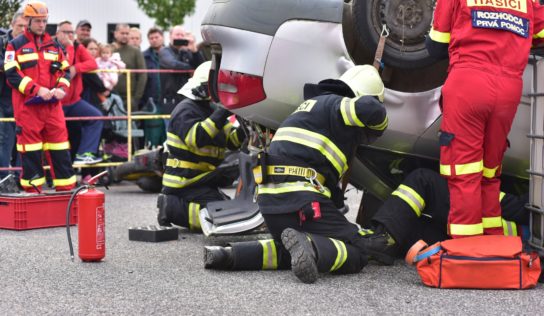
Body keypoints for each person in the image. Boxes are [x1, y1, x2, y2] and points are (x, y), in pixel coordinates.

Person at [204, 65, 389, 284]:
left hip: (270, 204)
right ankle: (310, 246)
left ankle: (231, 255)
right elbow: (372, 110)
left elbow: (330, 191)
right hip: (301, 199)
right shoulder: (336, 103)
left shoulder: (308, 110)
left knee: (288, 249)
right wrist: (381, 124)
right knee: (357, 251)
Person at [426, 0, 544, 238]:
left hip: (469, 82)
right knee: (490, 172)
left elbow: (436, 46)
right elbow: (539, 35)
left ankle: (467, 252)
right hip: (509, 89)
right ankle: (492, 241)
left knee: (464, 171)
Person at [157, 61, 245, 232]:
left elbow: (232, 141)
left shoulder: (210, 111)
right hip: (184, 182)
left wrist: (245, 123)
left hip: (201, 180)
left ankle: (177, 207)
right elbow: (196, 138)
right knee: (223, 219)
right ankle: (172, 208)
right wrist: (223, 111)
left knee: (231, 211)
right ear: (205, 87)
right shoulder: (185, 109)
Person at [364, 168, 529, 258]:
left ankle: (382, 241)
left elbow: (523, 208)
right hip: (484, 245)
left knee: (423, 179)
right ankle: (378, 243)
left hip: (490, 230)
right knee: (406, 225)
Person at [3, 1, 76, 192]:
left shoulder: (54, 45)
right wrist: (37, 90)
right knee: (31, 152)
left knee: (60, 149)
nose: (42, 25)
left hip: (52, 108)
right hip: (28, 108)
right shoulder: (14, 45)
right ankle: (33, 195)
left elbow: (65, 71)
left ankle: (67, 192)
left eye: (44, 21)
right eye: (37, 21)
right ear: (28, 20)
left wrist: (61, 88)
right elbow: (11, 74)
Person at [56, 20, 104, 165]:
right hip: (56, 102)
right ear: (57, 33)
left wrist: (77, 68)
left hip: (74, 101)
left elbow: (92, 63)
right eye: (65, 32)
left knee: (96, 117)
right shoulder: (51, 46)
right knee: (57, 138)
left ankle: (85, 154)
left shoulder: (78, 46)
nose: (69, 35)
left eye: (71, 32)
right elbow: (66, 67)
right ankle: (51, 174)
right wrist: (70, 48)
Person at [0, 11, 27, 180]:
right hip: (2, 98)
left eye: (26, 26)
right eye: (20, 26)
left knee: (21, 140)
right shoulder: (2, 40)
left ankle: (18, 177)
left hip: (20, 98)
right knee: (3, 139)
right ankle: (3, 178)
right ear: (12, 24)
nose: (23, 29)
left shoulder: (30, 43)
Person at [159, 25, 205, 115]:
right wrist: (190, 67)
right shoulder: (164, 50)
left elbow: (201, 66)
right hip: (170, 98)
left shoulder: (187, 52)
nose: (179, 37)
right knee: (171, 126)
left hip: (186, 96)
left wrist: (194, 50)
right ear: (170, 36)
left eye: (182, 35)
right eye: (177, 34)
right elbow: (172, 64)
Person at [112, 23, 147, 111]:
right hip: (111, 96)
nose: (125, 36)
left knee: (131, 124)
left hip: (129, 98)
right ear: (115, 34)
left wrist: (136, 99)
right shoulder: (108, 50)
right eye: (122, 33)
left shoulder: (135, 52)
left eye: (127, 33)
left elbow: (143, 75)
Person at [141, 26, 165, 147]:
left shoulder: (171, 55)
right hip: (151, 101)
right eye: (151, 38)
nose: (154, 40)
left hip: (168, 100)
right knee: (152, 133)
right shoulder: (143, 57)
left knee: (167, 134)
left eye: (157, 37)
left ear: (162, 37)